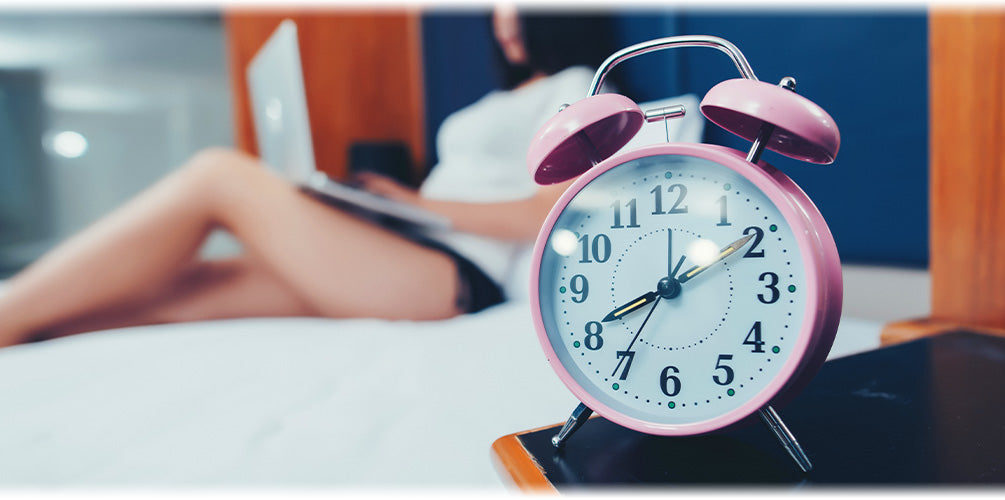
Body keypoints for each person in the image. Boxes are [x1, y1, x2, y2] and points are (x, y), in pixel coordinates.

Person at [0, 7, 617, 348]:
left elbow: (552, 211)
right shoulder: (500, 97)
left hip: (453, 277)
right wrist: (377, 209)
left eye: (518, 9)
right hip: (405, 247)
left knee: (218, 176)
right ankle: (23, 330)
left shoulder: (583, 86)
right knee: (201, 285)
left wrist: (418, 203)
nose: (503, 20)